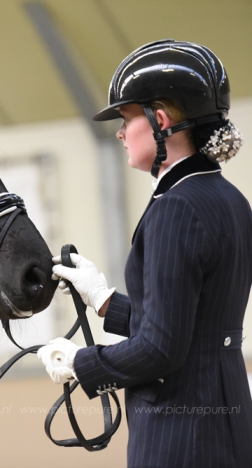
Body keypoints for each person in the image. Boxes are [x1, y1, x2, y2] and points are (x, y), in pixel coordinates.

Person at [39, 40, 252, 467]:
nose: (119, 132)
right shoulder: (228, 197)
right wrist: (103, 301)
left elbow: (161, 350)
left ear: (160, 120)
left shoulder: (175, 206)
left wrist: (82, 364)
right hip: (226, 420)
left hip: (180, 432)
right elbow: (188, 326)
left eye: (126, 118)